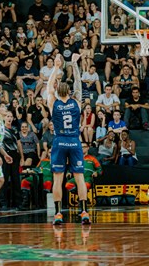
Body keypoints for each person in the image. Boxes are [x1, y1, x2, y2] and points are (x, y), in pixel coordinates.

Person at [47, 53, 90, 225]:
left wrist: (57, 67)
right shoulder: (76, 102)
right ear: (69, 92)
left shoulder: (54, 103)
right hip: (74, 141)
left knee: (58, 179)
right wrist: (74, 64)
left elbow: (48, 88)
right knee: (80, 178)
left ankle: (58, 214)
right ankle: (84, 212)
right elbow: (79, 83)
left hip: (59, 141)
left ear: (58, 91)